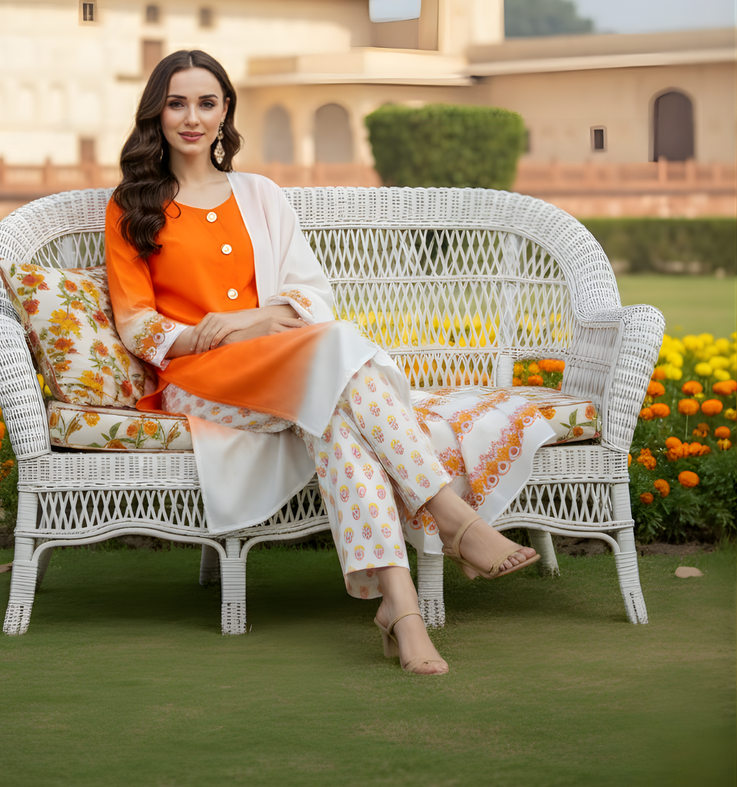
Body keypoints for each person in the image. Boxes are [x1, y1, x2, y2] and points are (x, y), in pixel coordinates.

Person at [106, 50, 553, 676]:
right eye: (177, 102)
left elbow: (311, 296)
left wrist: (254, 319)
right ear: (156, 110)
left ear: (225, 110)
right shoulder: (133, 204)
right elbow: (136, 324)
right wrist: (211, 337)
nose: (191, 117)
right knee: (338, 360)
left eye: (206, 102)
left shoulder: (258, 195)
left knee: (338, 418)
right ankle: (452, 519)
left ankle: (402, 610)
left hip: (286, 362)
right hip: (198, 380)